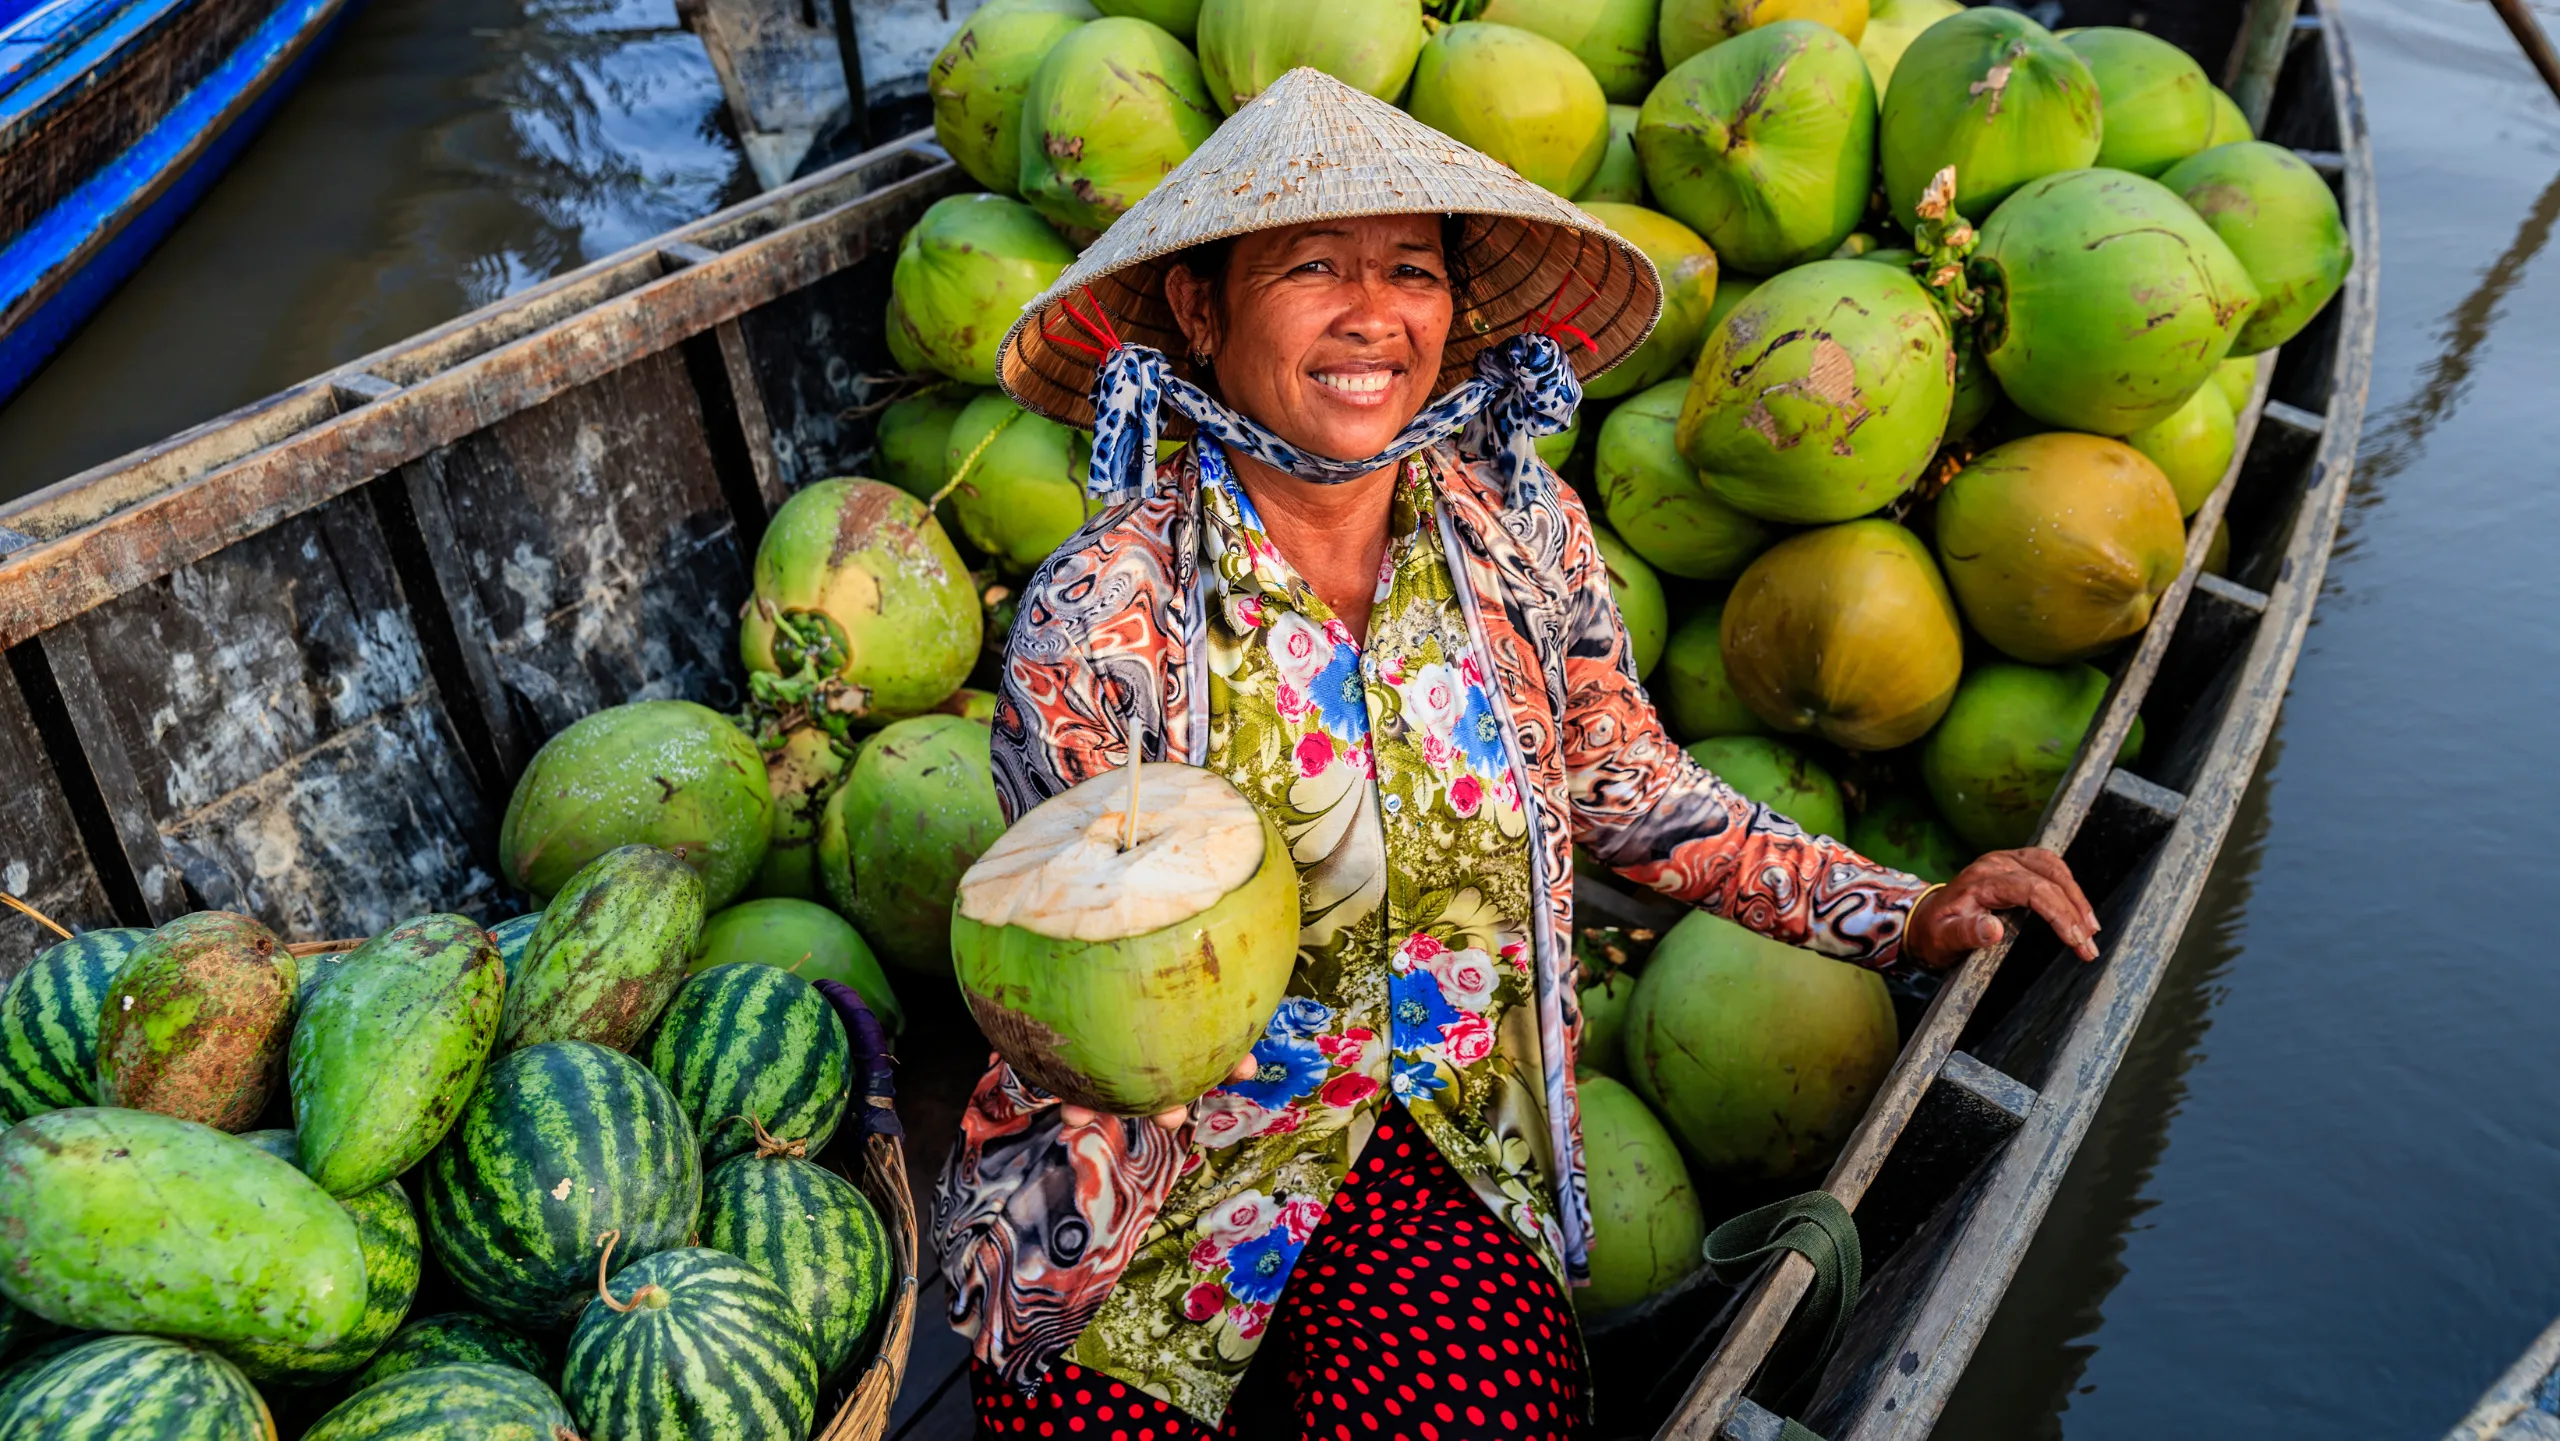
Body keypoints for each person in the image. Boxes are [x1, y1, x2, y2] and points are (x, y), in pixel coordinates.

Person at [934, 68, 2100, 1441]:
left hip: (1434, 1148)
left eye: (1412, 273)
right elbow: (1071, 975)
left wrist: (1898, 913)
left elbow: (1632, 785)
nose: (1375, 316)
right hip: (1149, 1180)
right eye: (1312, 267)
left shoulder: (1516, 532)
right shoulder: (1101, 615)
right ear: (1203, 308)